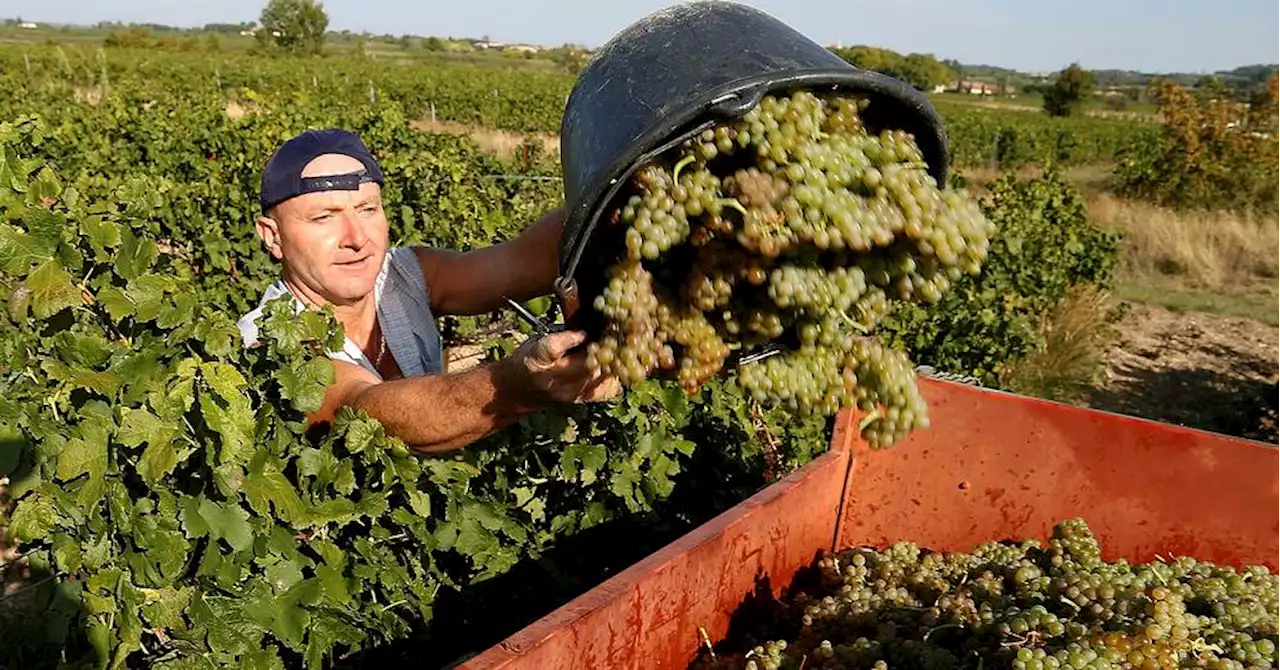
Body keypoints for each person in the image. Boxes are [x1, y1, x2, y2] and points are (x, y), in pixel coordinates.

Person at [237, 128, 620, 453]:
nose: (356, 239)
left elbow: (519, 262)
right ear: (273, 237)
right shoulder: (270, 341)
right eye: (324, 218)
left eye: (368, 209)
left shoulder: (404, 275)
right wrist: (512, 384)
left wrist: (612, 204)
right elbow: (368, 411)